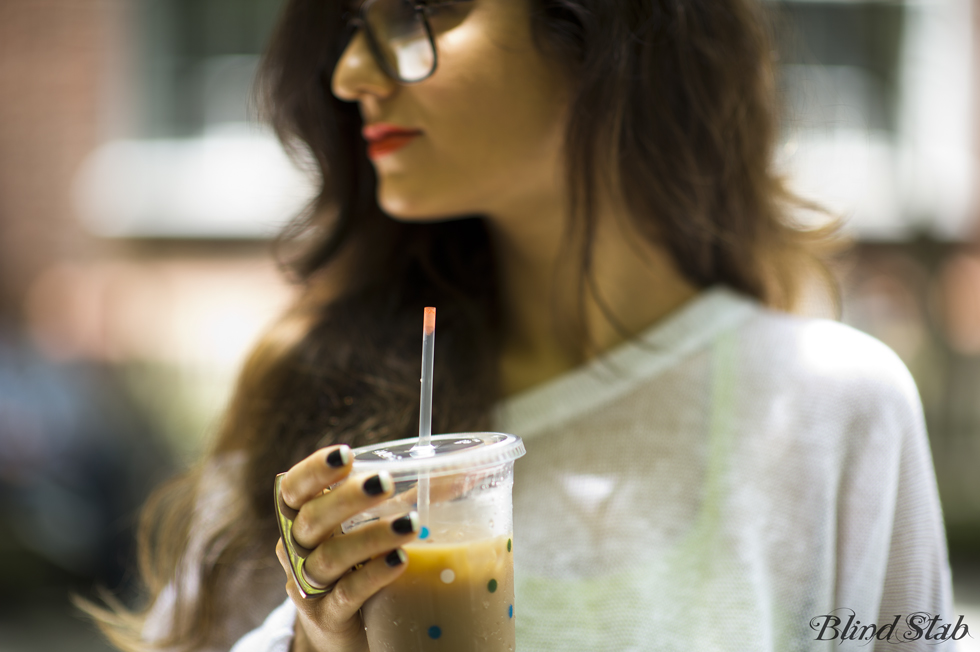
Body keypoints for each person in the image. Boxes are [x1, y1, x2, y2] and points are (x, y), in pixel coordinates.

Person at [87, 0, 956, 650]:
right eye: (353, 22)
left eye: (414, 11)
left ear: (602, 28)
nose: (351, 73)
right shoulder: (317, 399)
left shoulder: (835, 408)